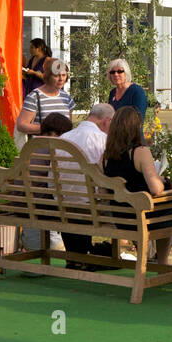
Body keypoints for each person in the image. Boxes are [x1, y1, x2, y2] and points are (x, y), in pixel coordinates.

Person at [101, 105, 172, 266]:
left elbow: (104, 190)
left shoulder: (105, 157)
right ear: (135, 128)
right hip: (141, 217)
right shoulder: (140, 152)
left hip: (119, 217)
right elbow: (155, 189)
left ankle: (157, 262)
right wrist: (161, 180)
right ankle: (169, 265)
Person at [58, 103, 115, 267]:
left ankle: (75, 258)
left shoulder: (64, 137)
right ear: (107, 121)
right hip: (90, 207)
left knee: (77, 199)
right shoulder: (102, 139)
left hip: (61, 205)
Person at [16, 59, 74, 136]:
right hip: (42, 145)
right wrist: (48, 130)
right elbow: (21, 125)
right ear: (48, 76)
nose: (61, 79)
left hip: (63, 146)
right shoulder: (34, 97)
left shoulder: (67, 98)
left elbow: (69, 126)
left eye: (63, 75)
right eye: (56, 75)